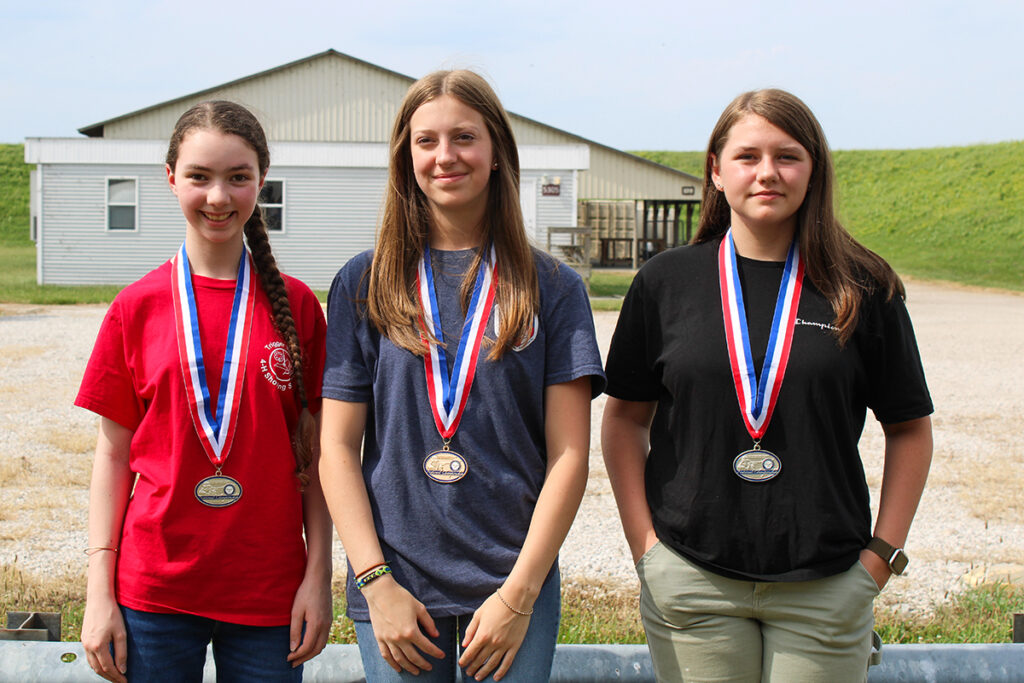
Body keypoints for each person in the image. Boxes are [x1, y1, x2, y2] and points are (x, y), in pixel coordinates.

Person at [601, 89, 933, 682]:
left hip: (825, 586)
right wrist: (645, 547)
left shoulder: (862, 287)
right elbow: (625, 419)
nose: (767, 173)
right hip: (692, 581)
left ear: (814, 170)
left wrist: (879, 559)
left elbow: (909, 429)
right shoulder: (664, 283)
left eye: (787, 156)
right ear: (716, 169)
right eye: (748, 155)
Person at [319, 69, 605, 683]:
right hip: (396, 588)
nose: (445, 156)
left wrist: (518, 595)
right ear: (405, 157)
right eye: (426, 141)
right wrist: (375, 583)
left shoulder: (552, 288)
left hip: (511, 588)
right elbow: (337, 448)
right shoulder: (363, 283)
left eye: (464, 138)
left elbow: (570, 456)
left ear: (497, 150)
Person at [77, 100, 332, 682]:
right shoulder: (135, 307)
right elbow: (112, 456)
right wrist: (99, 591)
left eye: (238, 177)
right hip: (154, 594)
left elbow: (316, 459)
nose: (218, 197)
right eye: (199, 176)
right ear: (171, 180)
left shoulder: (296, 306)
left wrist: (318, 577)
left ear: (260, 182)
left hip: (269, 594)